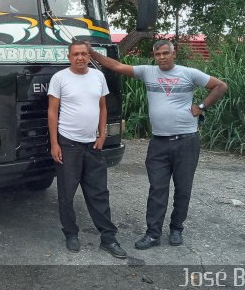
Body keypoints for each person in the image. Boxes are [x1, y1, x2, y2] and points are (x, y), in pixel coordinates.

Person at [89, 39, 228, 249]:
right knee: (157, 189)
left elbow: (220, 86)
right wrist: (90, 52)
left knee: (183, 188)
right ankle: (153, 234)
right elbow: (116, 66)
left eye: (165, 53)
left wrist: (201, 106)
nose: (161, 57)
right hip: (159, 143)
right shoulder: (148, 72)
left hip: (186, 141)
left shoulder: (189, 73)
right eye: (158, 54)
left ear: (174, 54)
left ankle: (176, 229)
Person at [47, 40, 126, 258]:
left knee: (99, 193)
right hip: (68, 145)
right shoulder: (60, 78)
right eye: (76, 54)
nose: (80, 57)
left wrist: (102, 134)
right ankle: (71, 233)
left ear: (89, 55)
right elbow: (52, 112)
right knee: (66, 193)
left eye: (84, 53)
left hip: (93, 146)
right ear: (69, 57)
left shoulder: (98, 76)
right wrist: (54, 143)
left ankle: (108, 238)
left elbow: (102, 106)